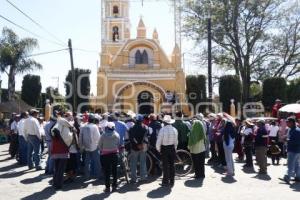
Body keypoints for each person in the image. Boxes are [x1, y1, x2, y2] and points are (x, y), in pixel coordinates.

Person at [51, 111, 74, 190]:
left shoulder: (55, 125)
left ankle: (55, 183)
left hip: (55, 149)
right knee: (61, 169)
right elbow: (69, 138)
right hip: (63, 150)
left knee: (56, 168)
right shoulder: (66, 126)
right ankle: (59, 185)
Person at [156, 115, 178, 187]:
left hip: (165, 149)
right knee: (172, 165)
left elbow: (159, 141)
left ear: (164, 122)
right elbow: (176, 141)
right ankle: (172, 181)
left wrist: (158, 149)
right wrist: (175, 148)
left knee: (165, 166)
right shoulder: (174, 129)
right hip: (172, 148)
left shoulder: (162, 130)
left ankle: (165, 181)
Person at [99, 122, 120, 193]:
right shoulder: (117, 135)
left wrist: (103, 149)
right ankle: (114, 186)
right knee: (115, 171)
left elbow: (99, 145)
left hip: (105, 156)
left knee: (107, 171)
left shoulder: (103, 135)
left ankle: (107, 187)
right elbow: (118, 144)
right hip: (114, 155)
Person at [79, 114, 101, 180]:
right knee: (97, 161)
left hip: (86, 147)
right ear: (93, 120)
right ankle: (98, 175)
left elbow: (80, 137)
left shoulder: (83, 126)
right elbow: (98, 137)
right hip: (94, 146)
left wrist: (81, 146)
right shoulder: (95, 126)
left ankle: (87, 175)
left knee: (87, 162)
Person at [128, 114, 148, 183]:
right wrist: (141, 144)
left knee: (133, 163)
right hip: (143, 147)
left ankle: (134, 178)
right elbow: (146, 137)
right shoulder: (145, 127)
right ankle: (143, 177)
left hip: (134, 147)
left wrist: (137, 144)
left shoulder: (132, 128)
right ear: (142, 120)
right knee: (143, 162)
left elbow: (132, 138)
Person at [281, 117, 300, 184]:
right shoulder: (292, 129)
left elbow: (297, 141)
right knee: (296, 164)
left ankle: (287, 177)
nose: (286, 123)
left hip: (293, 150)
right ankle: (298, 177)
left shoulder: (296, 130)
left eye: (287, 122)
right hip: (295, 150)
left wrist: (286, 140)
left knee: (290, 164)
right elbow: (290, 137)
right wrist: (286, 137)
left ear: (292, 122)